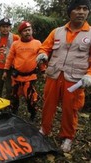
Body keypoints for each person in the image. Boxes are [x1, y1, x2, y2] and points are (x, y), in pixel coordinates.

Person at [37, 0, 91, 153]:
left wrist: (89, 75)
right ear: (70, 12)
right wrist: (42, 55)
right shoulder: (57, 31)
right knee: (48, 104)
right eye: (77, 8)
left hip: (75, 79)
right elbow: (44, 47)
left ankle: (67, 137)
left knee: (70, 109)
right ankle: (44, 129)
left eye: (85, 9)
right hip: (54, 75)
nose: (81, 12)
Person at [2, 21, 44, 121]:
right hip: (16, 77)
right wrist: (5, 70)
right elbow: (10, 58)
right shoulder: (15, 44)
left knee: (31, 98)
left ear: (32, 31)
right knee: (14, 96)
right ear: (21, 33)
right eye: (25, 31)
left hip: (30, 77)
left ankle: (32, 114)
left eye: (29, 30)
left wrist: (43, 71)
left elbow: (41, 59)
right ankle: (13, 113)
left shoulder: (37, 43)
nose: (27, 32)